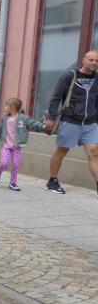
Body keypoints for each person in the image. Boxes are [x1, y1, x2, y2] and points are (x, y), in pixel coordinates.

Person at [43, 50, 98, 196]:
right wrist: (51, 117)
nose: (94, 63)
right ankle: (52, 180)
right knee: (62, 151)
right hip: (71, 120)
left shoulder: (97, 78)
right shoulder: (69, 76)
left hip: (90, 123)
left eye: (97, 61)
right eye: (91, 60)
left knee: (94, 152)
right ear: (84, 60)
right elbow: (56, 97)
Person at [0, 98, 44, 191]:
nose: (5, 107)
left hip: (16, 146)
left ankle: (12, 183)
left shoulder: (23, 118)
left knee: (15, 165)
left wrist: (43, 126)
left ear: (12, 107)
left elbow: (33, 122)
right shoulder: (4, 118)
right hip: (6, 145)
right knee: (3, 163)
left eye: (6, 106)